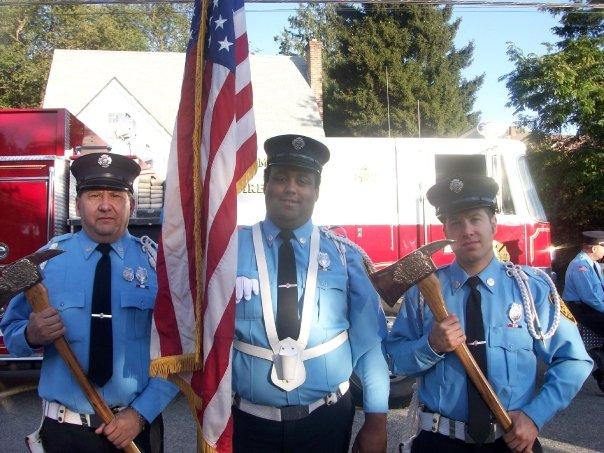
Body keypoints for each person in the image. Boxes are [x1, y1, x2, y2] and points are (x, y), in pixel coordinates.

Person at [385, 175, 592, 453]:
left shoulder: (531, 289)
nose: (467, 230)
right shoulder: (422, 294)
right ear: (445, 230)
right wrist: (431, 346)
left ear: (493, 223)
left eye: (475, 218)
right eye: (456, 222)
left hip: (510, 441)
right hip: (439, 442)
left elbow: (574, 360)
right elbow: (394, 359)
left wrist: (534, 416)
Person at [1, 152, 179, 453]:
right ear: (78, 205)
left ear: (131, 205)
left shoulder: (156, 266)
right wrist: (31, 334)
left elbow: (179, 351)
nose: (106, 205)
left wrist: (140, 414)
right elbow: (12, 333)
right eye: (95, 195)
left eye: (116, 195)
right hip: (65, 433)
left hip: (135, 428)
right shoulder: (46, 263)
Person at [232, 134, 389, 453]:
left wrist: (376, 424)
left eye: (303, 180)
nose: (291, 188)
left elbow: (370, 347)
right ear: (266, 185)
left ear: (316, 191)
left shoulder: (345, 257)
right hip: (248, 424)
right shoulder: (230, 252)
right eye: (281, 178)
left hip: (325, 422)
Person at [563, 230, 604, 391]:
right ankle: (601, 367)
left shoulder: (591, 263)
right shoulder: (580, 266)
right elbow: (590, 297)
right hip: (581, 309)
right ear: (594, 248)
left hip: (591, 308)